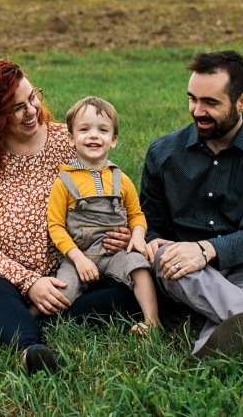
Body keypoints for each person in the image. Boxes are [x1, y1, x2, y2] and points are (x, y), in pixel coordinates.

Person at [0, 59, 140, 374]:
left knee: (129, 288)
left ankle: (33, 313)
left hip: (68, 271)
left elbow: (106, 191)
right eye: (17, 108)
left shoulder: (67, 140)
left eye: (32, 97)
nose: (32, 110)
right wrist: (30, 283)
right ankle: (30, 348)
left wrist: (119, 231)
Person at [140, 50, 243, 359]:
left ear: (242, 101)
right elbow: (153, 222)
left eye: (210, 103)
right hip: (183, 265)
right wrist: (150, 240)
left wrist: (205, 250)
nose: (197, 111)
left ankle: (210, 353)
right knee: (165, 256)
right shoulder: (163, 152)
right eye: (192, 99)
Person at [45, 96, 159, 335]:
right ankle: (30, 317)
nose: (94, 135)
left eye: (102, 130)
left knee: (138, 266)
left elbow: (136, 214)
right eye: (84, 129)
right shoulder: (64, 181)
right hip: (79, 256)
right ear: (71, 138)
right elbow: (55, 226)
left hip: (113, 253)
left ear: (113, 140)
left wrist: (138, 235)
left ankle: (152, 321)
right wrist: (78, 258)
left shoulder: (121, 179)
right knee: (62, 291)